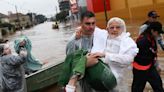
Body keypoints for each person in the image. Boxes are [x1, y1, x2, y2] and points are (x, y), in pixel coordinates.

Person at [64, 11, 109, 92]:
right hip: (85, 82)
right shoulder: (73, 42)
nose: (91, 27)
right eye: (87, 24)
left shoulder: (101, 35)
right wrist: (86, 64)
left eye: (93, 23)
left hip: (103, 78)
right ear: (81, 23)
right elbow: (69, 66)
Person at [92, 17, 138, 92]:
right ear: (108, 29)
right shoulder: (104, 37)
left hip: (118, 78)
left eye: (117, 27)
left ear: (122, 28)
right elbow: (91, 29)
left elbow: (128, 59)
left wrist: (106, 55)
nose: (114, 30)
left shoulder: (128, 42)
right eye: (112, 27)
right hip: (100, 76)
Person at [132, 22, 164, 92]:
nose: (159, 35)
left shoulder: (151, 37)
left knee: (158, 86)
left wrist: (156, 65)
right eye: (158, 32)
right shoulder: (143, 41)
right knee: (137, 89)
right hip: (140, 69)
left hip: (149, 67)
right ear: (152, 31)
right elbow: (134, 54)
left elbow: (153, 53)